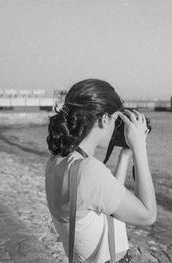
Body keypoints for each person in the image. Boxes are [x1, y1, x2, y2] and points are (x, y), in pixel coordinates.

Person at [45, 79, 157, 263]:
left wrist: (125, 156)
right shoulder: (88, 170)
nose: (115, 127)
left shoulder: (57, 161)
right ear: (104, 119)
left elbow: (107, 198)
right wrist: (140, 150)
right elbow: (148, 215)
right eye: (115, 119)